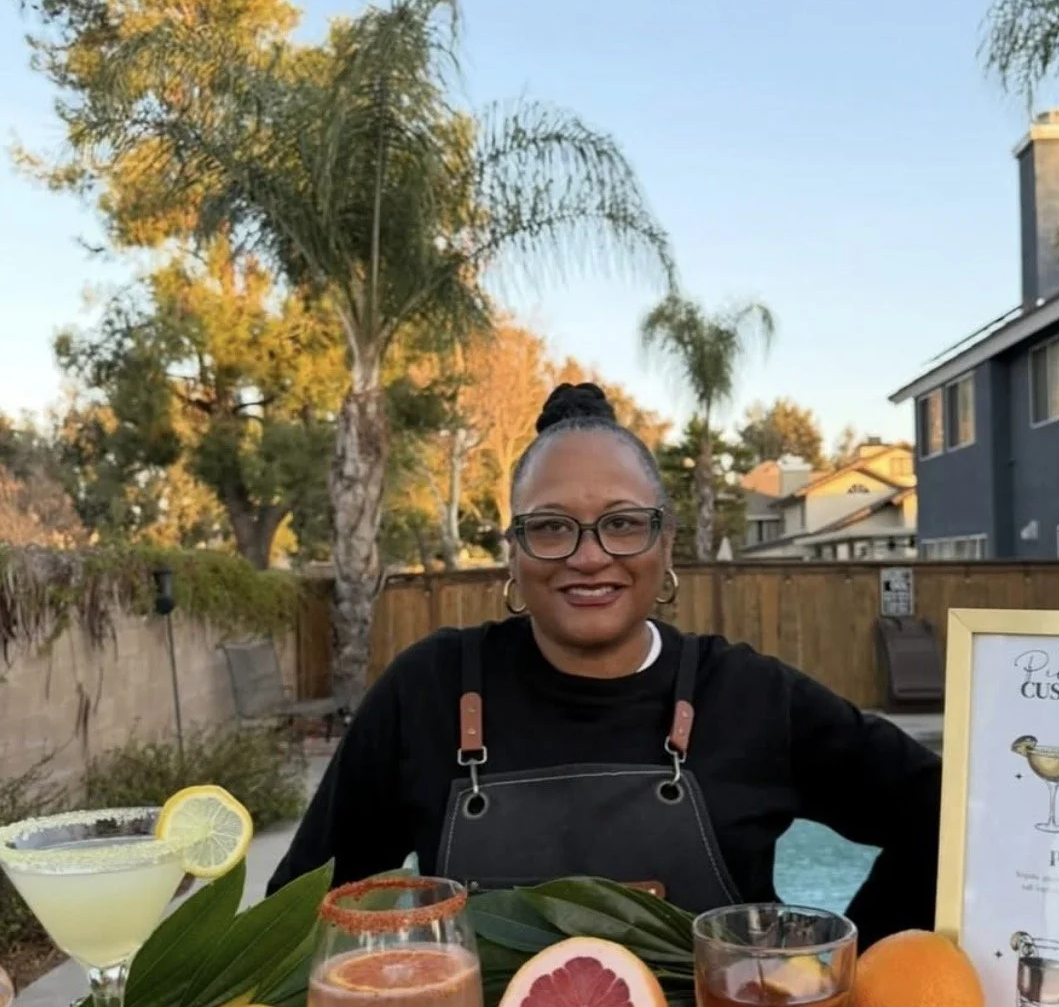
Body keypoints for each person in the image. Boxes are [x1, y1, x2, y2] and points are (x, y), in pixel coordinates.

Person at [267, 382, 942, 949]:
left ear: (665, 541)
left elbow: (947, 812)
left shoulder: (750, 696)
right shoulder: (428, 692)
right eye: (551, 527)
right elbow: (297, 917)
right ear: (513, 552)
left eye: (622, 523)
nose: (589, 556)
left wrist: (850, 968)